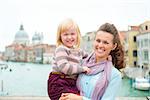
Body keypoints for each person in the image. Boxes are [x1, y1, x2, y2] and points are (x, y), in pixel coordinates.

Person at [59, 23, 125, 100]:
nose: (100, 45)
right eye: (98, 41)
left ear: (113, 46)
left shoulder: (114, 75)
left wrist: (80, 99)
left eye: (105, 42)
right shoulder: (81, 63)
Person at [47, 18, 91, 100]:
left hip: (71, 83)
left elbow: (91, 58)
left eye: (72, 34)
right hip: (58, 82)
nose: (69, 37)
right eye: (66, 34)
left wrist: (107, 58)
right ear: (60, 37)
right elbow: (64, 68)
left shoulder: (79, 51)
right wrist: (82, 69)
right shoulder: (61, 49)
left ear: (77, 35)